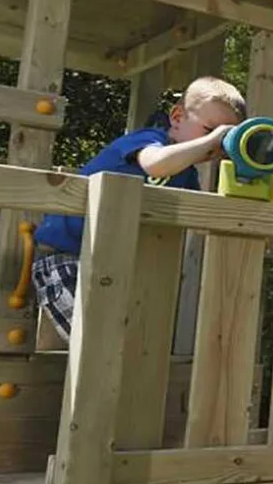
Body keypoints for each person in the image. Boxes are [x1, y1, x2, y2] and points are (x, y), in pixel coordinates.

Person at [32, 76, 245, 341]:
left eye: (223, 141)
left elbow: (201, 223)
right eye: (209, 130)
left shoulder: (187, 175)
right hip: (65, 259)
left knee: (125, 345)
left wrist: (245, 176)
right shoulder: (147, 140)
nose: (215, 146)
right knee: (96, 344)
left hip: (113, 270)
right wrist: (212, 140)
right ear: (177, 117)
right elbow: (155, 164)